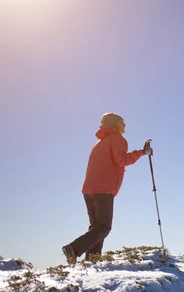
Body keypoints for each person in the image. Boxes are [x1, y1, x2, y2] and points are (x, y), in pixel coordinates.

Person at [62, 113, 152, 265]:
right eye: (122, 122)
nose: (124, 125)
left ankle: (92, 261)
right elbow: (122, 159)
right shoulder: (117, 139)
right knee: (103, 227)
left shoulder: (99, 142)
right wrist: (143, 152)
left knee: (96, 228)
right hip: (103, 189)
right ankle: (73, 249)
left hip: (89, 190)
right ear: (114, 124)